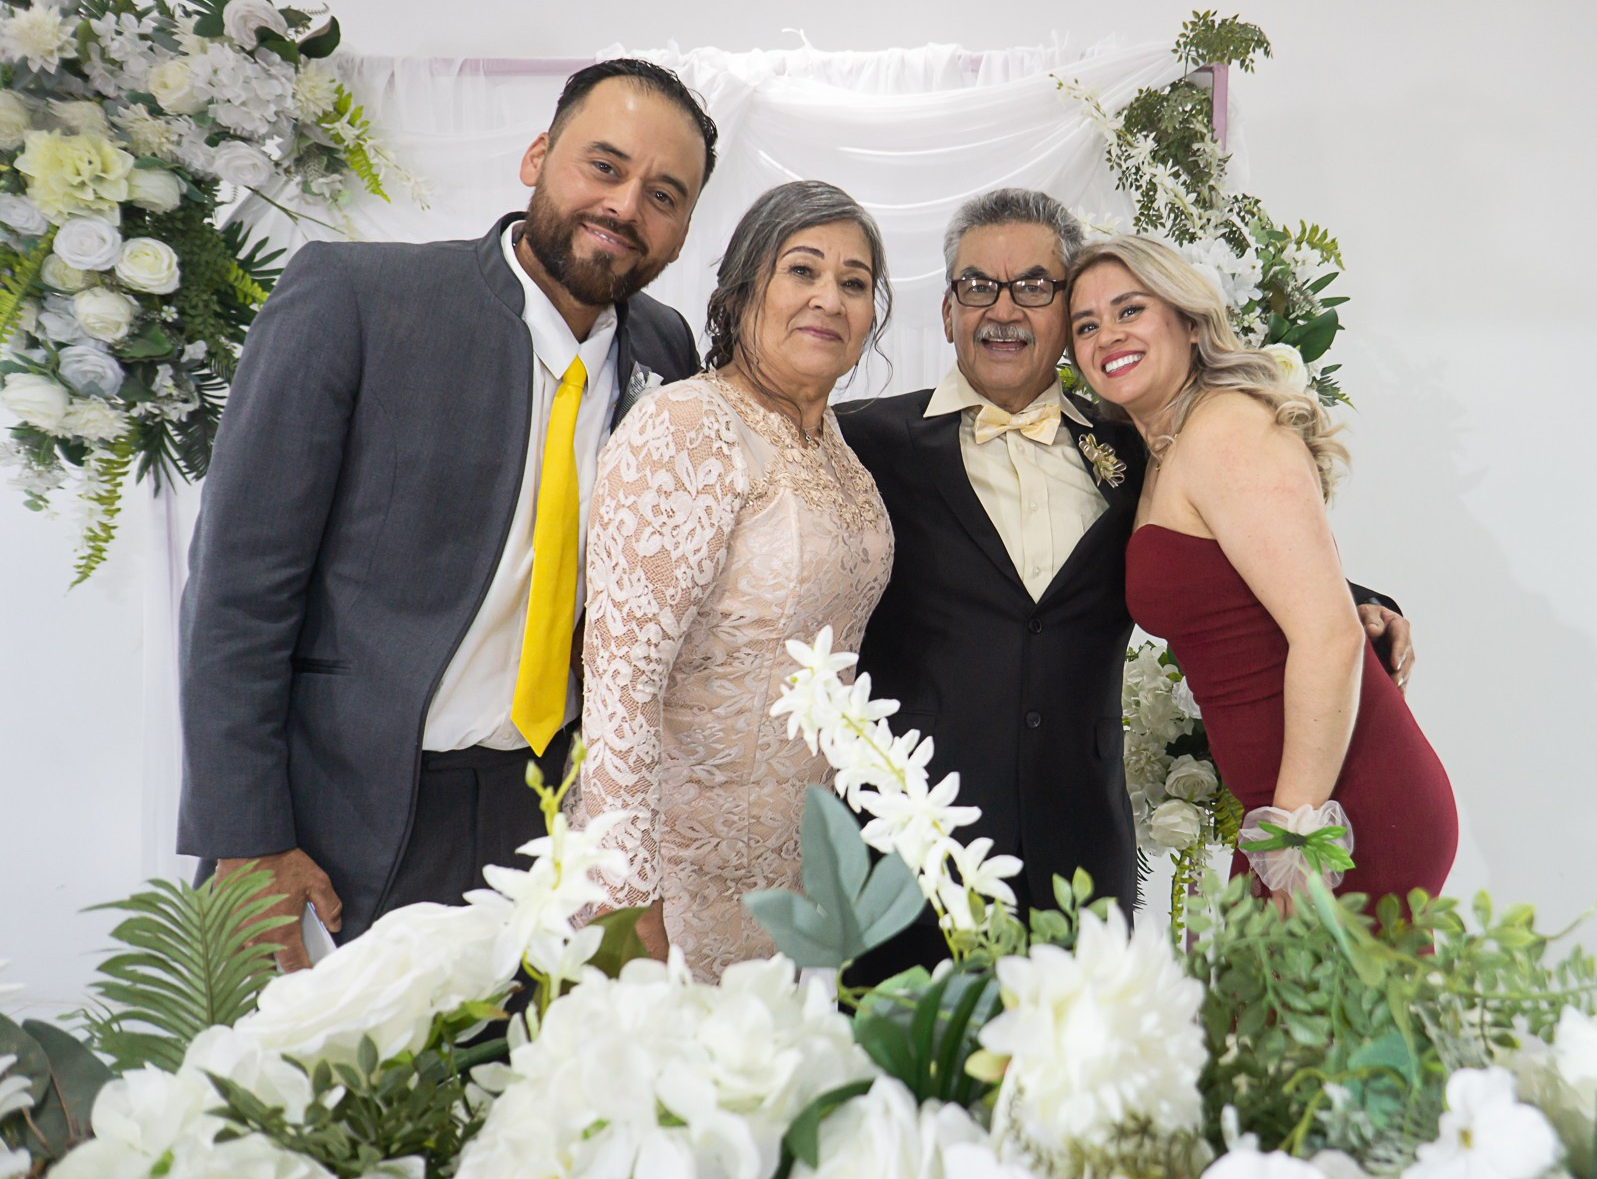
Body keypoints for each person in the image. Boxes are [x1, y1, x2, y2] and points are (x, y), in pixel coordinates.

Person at [178, 59, 717, 967]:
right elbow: (237, 590)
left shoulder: (667, 349)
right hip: (348, 822)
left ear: (684, 227)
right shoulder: (354, 300)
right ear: (537, 156)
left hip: (549, 820)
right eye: (605, 166)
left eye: (663, 193)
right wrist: (249, 837)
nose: (626, 206)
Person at [840, 190, 1414, 977]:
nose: (1004, 310)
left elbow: (1237, 542)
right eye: (979, 285)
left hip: (1081, 864)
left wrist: (1358, 603)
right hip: (909, 867)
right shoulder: (858, 442)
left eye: (1035, 286)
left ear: (1063, 318)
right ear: (946, 311)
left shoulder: (1138, 444)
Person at [1068, 234, 1456, 912]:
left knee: (1309, 1017)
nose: (1108, 336)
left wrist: (1296, 845)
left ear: (1189, 322)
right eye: (1087, 325)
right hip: (1283, 806)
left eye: (1130, 310)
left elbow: (1328, 637)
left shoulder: (1226, 429)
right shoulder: (1163, 447)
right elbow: (1250, 588)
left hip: (1340, 810)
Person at [575, 181, 894, 978]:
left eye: (854, 283)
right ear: (743, 290)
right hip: (674, 888)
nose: (830, 298)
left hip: (798, 885)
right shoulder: (688, 426)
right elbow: (620, 682)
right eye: (803, 270)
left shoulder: (841, 455)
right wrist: (627, 897)